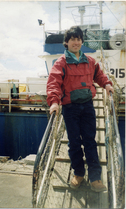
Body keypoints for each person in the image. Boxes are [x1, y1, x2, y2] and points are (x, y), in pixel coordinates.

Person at [46, 26, 114, 192]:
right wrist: (54, 102)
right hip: (70, 108)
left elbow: (99, 76)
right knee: (75, 143)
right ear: (66, 42)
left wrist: (107, 84)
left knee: (90, 141)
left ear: (82, 42)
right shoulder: (61, 63)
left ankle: (96, 178)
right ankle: (78, 173)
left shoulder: (90, 61)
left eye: (78, 39)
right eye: (72, 39)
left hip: (88, 107)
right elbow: (54, 82)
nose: (75, 42)